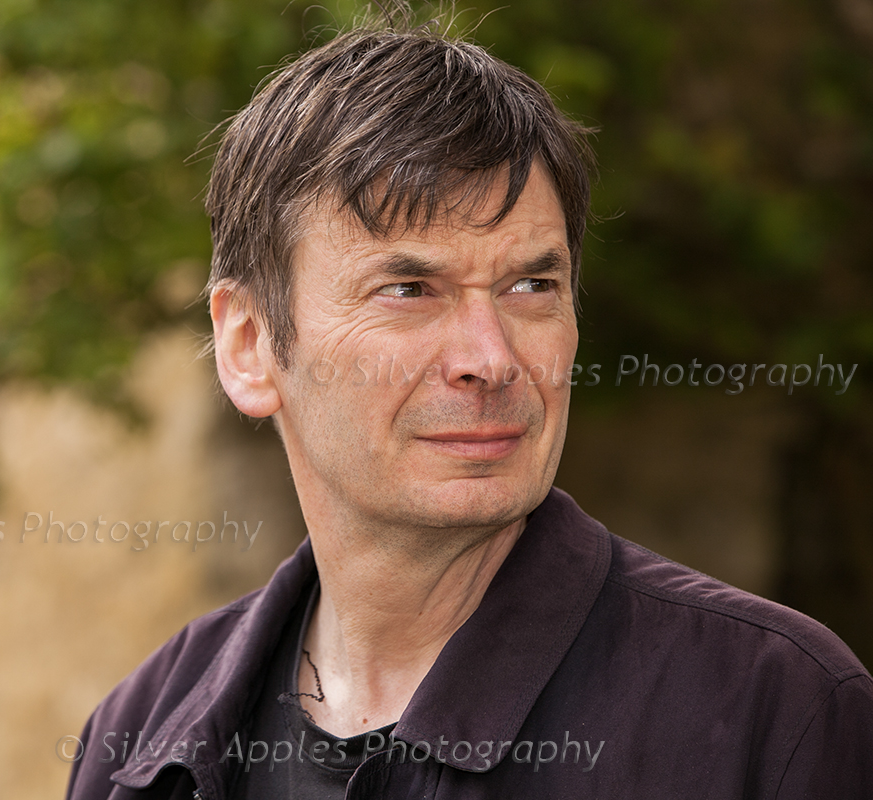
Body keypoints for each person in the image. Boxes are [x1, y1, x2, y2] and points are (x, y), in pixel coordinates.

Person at [64, 19, 873, 800]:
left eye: (532, 286)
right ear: (249, 345)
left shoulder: (775, 715)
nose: (491, 359)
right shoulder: (139, 745)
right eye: (409, 290)